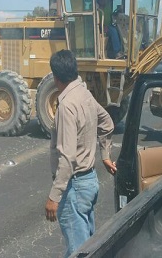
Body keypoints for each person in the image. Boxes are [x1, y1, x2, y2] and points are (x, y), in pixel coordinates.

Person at [44, 50, 116, 257]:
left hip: (74, 187)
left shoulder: (67, 105)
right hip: (89, 181)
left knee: (79, 252)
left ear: (55, 76)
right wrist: (105, 155)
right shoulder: (85, 94)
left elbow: (67, 157)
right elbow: (107, 123)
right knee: (88, 246)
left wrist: (54, 197)